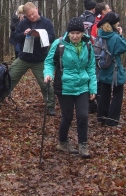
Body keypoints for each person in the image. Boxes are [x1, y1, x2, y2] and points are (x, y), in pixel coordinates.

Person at [43, 17, 97, 158]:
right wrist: (48, 74)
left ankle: (83, 144)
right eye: (72, 33)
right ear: (68, 32)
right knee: (67, 116)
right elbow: (49, 62)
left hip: (82, 86)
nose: (74, 36)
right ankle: (62, 142)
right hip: (64, 86)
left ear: (82, 33)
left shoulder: (88, 45)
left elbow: (91, 67)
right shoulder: (59, 44)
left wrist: (93, 87)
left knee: (83, 116)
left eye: (78, 33)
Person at [9, 2, 57, 115]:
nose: (31, 17)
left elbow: (52, 37)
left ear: (37, 9)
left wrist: (41, 35)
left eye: (33, 14)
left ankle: (50, 106)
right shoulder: (23, 23)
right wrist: (23, 35)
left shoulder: (46, 22)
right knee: (10, 77)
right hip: (23, 58)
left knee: (46, 83)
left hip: (40, 59)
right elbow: (15, 37)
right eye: (28, 15)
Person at [96, 12, 126, 127]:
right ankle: (112, 120)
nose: (119, 23)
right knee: (117, 94)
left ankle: (102, 116)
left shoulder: (100, 33)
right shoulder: (114, 37)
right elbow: (125, 47)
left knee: (104, 93)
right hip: (114, 68)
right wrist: (120, 35)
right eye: (117, 22)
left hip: (103, 68)